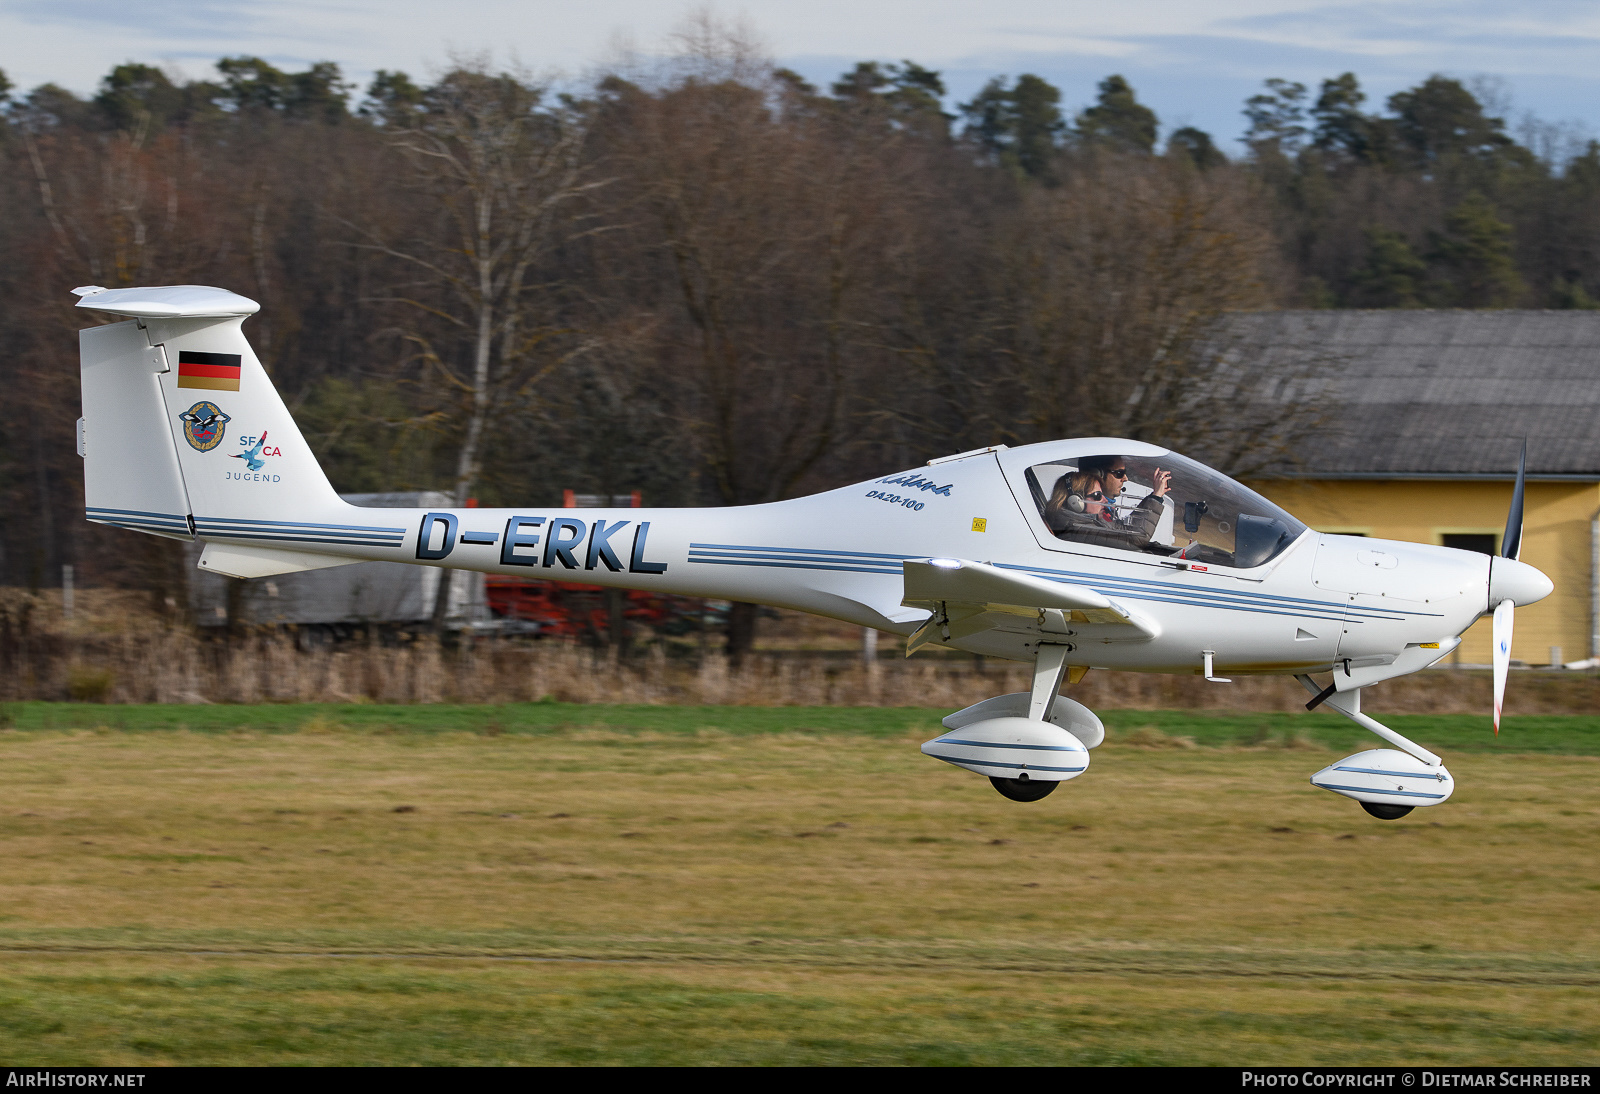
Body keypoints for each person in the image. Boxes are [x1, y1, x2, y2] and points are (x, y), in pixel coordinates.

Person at [1044, 466, 1171, 551]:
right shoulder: (1077, 531)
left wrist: (1154, 496)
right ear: (1075, 502)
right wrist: (1156, 497)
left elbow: (1122, 530)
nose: (1104, 500)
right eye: (1098, 495)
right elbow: (1134, 540)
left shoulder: (1085, 523)